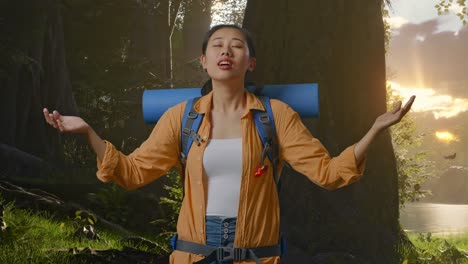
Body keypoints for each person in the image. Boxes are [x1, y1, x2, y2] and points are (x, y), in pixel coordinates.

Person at [43, 24, 415, 264]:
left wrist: (374, 131)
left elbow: (329, 173)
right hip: (192, 257)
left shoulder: (276, 116)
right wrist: (89, 133)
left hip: (257, 258)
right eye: (217, 45)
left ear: (250, 62)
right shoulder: (181, 118)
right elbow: (132, 172)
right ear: (204, 62)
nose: (226, 51)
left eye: (237, 46)